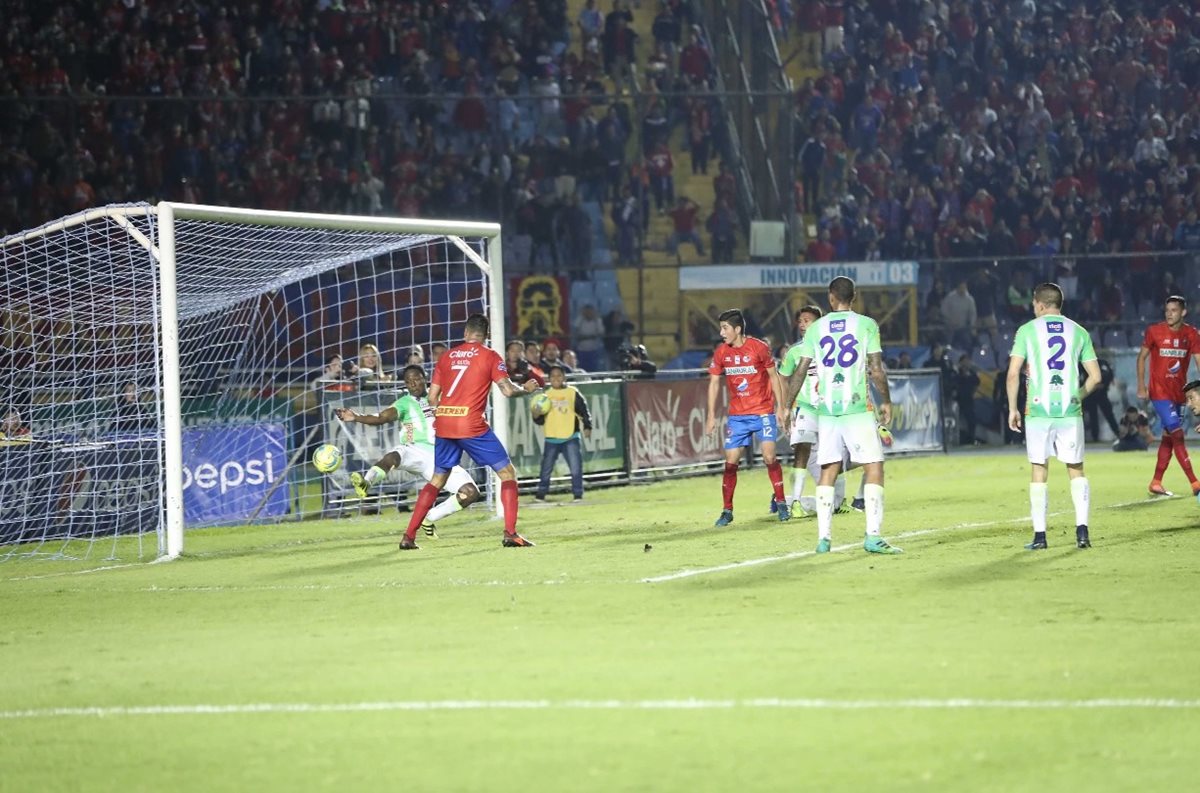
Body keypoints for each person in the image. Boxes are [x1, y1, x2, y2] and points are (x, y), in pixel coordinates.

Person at [781, 276, 902, 554]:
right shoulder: (867, 325)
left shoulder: (816, 329)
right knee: (874, 467)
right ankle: (872, 536)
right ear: (854, 296)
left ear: (831, 298)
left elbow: (800, 370)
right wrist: (886, 400)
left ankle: (824, 539)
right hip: (857, 409)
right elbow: (875, 368)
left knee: (829, 470)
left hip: (827, 412)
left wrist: (788, 405)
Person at [397, 314, 539, 550]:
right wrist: (526, 389)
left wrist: (446, 414)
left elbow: (432, 398)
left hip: (445, 423)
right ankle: (511, 533)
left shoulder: (447, 356)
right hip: (471, 423)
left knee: (437, 480)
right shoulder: (490, 356)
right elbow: (507, 390)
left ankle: (408, 537)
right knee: (507, 473)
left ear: (465, 333)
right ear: (487, 335)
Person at [1006, 282, 1102, 550]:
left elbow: (1013, 373)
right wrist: (1078, 396)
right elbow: (1095, 378)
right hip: (1069, 412)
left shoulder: (1027, 330)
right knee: (1076, 469)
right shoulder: (1079, 331)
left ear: (1039, 304)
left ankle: (1040, 537)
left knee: (1039, 470)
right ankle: (1082, 533)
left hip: (1037, 411)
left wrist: (1013, 408)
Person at [336, 365, 479, 539]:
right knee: (393, 456)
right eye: (408, 381)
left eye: (416, 379)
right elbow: (381, 417)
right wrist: (355, 416)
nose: (413, 384)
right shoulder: (404, 403)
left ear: (425, 378)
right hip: (414, 449)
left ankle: (430, 518)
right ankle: (366, 483)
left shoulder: (441, 397)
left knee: (471, 493)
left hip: (441, 456)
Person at [706, 308, 790, 524]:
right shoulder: (721, 352)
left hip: (762, 412)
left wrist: (780, 408)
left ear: (737, 328)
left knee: (769, 457)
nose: (722, 332)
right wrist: (711, 415)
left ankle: (781, 503)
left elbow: (773, 376)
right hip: (738, 416)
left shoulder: (759, 348)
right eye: (721, 328)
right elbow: (714, 383)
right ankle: (727, 511)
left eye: (725, 328)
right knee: (730, 461)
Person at [776, 304, 851, 515]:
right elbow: (783, 378)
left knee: (839, 452)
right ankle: (796, 503)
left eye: (807, 320)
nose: (802, 324)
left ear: (818, 322)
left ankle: (840, 501)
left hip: (830, 408)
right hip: (806, 408)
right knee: (801, 451)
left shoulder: (832, 347)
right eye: (800, 321)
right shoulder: (795, 351)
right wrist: (785, 406)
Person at [1136, 295, 1200, 497]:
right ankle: (1195, 484)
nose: (1169, 314)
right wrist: (1141, 385)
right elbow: (1142, 357)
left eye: (1174, 310)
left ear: (1183, 312)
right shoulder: (1154, 331)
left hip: (1179, 394)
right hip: (1159, 392)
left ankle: (1156, 482)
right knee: (1178, 434)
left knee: (1168, 438)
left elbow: (1199, 360)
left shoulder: (1191, 334)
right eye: (1167, 310)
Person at [533, 365, 593, 502]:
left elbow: (583, 410)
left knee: (576, 467)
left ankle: (578, 494)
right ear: (548, 379)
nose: (556, 378)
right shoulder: (545, 396)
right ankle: (541, 494)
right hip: (551, 437)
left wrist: (587, 426)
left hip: (571, 436)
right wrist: (535, 415)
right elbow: (540, 420)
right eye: (553, 376)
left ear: (564, 377)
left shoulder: (572, 392)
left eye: (559, 375)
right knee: (546, 469)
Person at [1082, 355, 1119, 442]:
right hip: (1090, 395)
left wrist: (1103, 384)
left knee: (1109, 415)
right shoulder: (1083, 364)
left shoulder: (1102, 362)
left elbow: (1108, 374)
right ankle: (1095, 437)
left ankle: (1118, 434)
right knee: (1092, 417)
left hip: (1102, 393)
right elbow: (1081, 378)